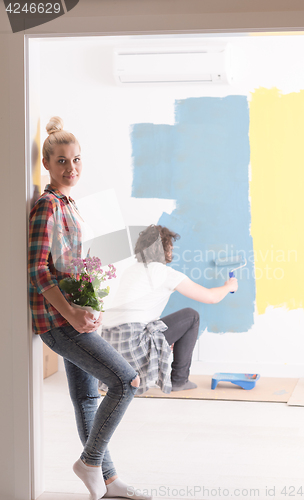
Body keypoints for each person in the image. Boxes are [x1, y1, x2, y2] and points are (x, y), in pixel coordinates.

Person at [28, 116, 150, 500]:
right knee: (125, 380)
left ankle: (109, 482)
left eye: (77, 159)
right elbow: (37, 269)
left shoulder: (70, 204)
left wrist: (89, 305)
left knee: (86, 397)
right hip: (57, 321)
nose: (71, 167)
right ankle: (91, 461)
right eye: (62, 160)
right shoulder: (47, 205)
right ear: (46, 164)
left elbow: (73, 264)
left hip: (75, 315)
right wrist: (71, 312)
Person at [100, 225, 238, 394]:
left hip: (109, 351)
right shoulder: (165, 273)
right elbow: (211, 297)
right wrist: (228, 286)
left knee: (171, 323)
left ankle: (176, 377)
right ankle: (179, 380)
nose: (172, 251)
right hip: (133, 347)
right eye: (170, 247)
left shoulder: (130, 271)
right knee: (191, 316)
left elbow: (138, 312)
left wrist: (162, 337)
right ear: (164, 248)